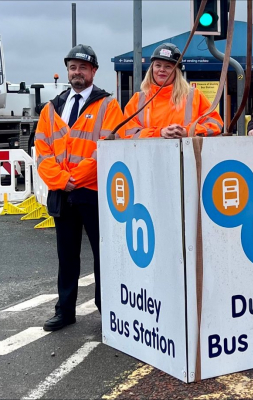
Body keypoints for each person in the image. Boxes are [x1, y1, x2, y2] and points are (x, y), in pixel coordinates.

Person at [35, 44, 125, 331]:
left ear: (94, 71)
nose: (77, 72)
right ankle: (65, 310)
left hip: (92, 191)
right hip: (62, 191)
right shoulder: (52, 108)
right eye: (73, 67)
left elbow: (107, 147)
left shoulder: (108, 105)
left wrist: (77, 178)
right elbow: (42, 151)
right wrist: (62, 181)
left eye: (83, 68)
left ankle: (107, 309)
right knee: (67, 255)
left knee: (103, 254)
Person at [124, 43, 223, 138]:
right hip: (149, 154)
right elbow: (127, 133)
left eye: (168, 66)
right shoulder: (138, 99)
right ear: (152, 69)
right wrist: (159, 133)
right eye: (158, 65)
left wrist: (188, 131)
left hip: (185, 154)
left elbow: (215, 123)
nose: (162, 70)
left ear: (176, 71)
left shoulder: (194, 96)